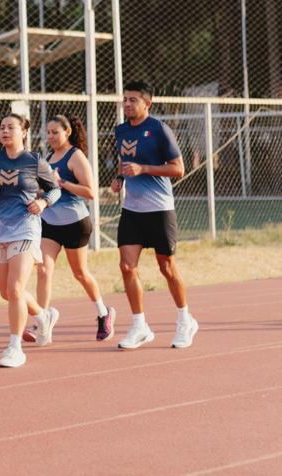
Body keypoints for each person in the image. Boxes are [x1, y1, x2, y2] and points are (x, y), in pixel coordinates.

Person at [111, 81, 198, 350]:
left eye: (133, 100)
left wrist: (144, 169)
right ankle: (139, 325)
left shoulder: (159, 129)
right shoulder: (121, 130)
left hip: (160, 209)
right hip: (132, 210)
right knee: (126, 267)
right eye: (125, 99)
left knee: (167, 268)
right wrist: (118, 178)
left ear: (147, 103)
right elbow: (124, 160)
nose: (127, 104)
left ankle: (185, 320)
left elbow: (178, 169)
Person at [0, 113, 61, 368]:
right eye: (2, 127)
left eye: (11, 127)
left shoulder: (33, 161)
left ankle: (14, 347)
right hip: (0, 229)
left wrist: (43, 202)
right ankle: (43, 316)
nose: (5, 131)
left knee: (16, 289)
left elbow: (55, 189)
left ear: (23, 132)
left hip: (26, 227)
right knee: (6, 292)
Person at [36, 115, 117, 341]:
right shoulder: (47, 158)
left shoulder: (76, 156)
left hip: (75, 223)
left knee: (80, 273)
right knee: (43, 270)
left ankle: (103, 312)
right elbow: (47, 191)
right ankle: (42, 321)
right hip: (49, 222)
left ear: (68, 132)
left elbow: (90, 192)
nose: (50, 137)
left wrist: (62, 183)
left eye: (55, 132)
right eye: (48, 133)